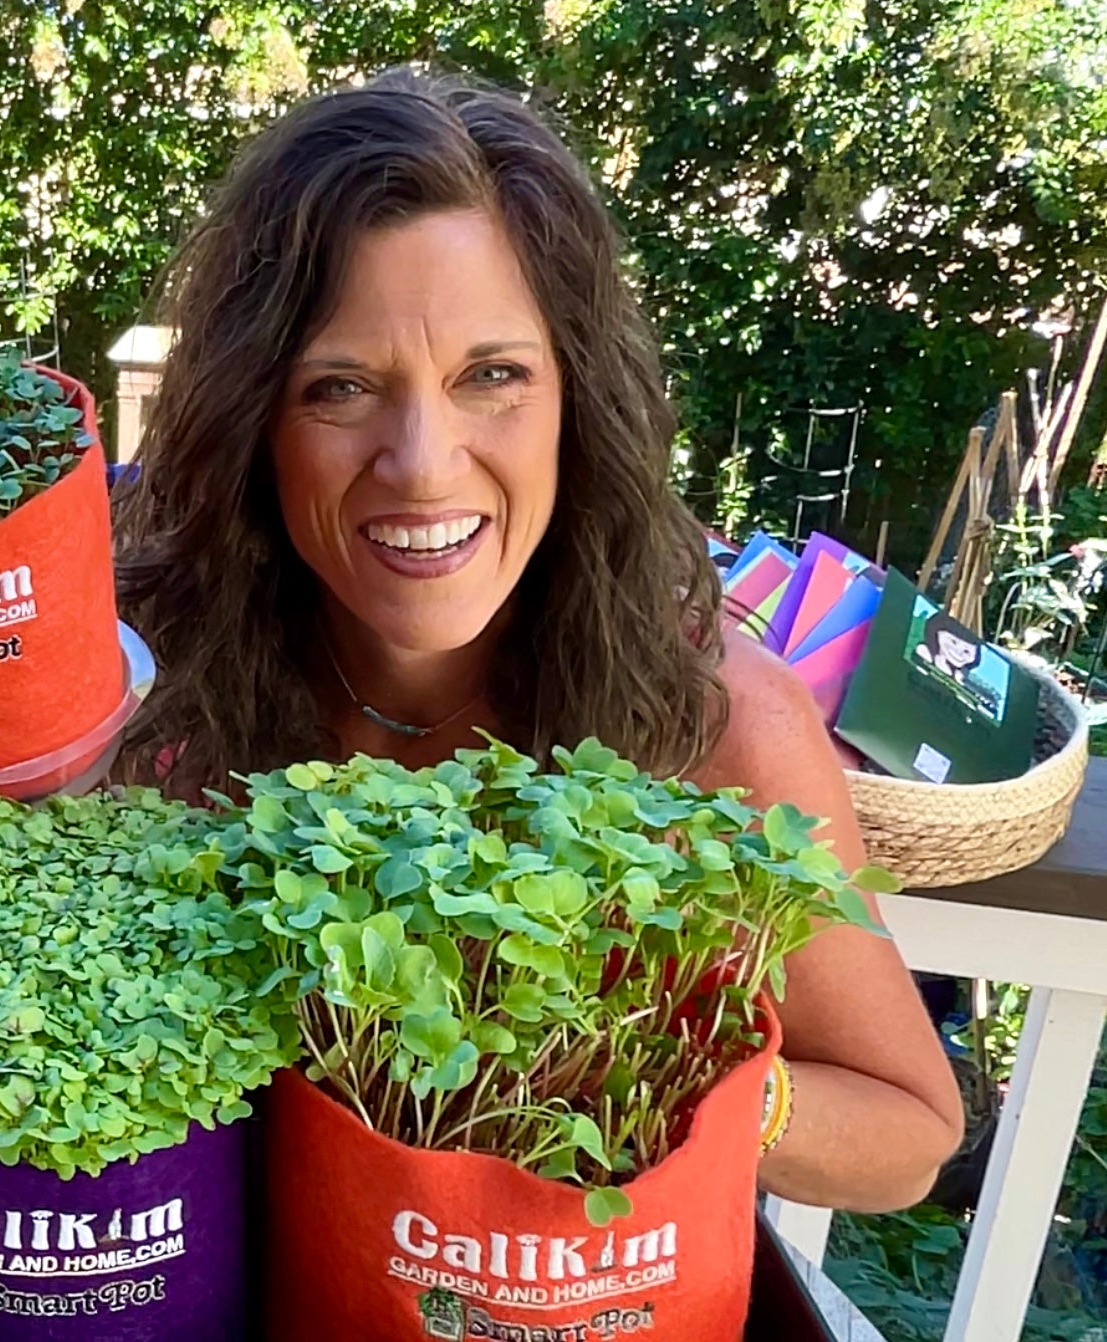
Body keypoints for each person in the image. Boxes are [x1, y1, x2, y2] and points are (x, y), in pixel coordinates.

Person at [115, 68, 961, 1213]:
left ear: (578, 399)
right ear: (252, 418)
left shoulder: (711, 715)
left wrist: (669, 1076)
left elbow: (909, 1134)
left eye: (492, 376)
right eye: (341, 387)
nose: (421, 460)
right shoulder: (138, 680)